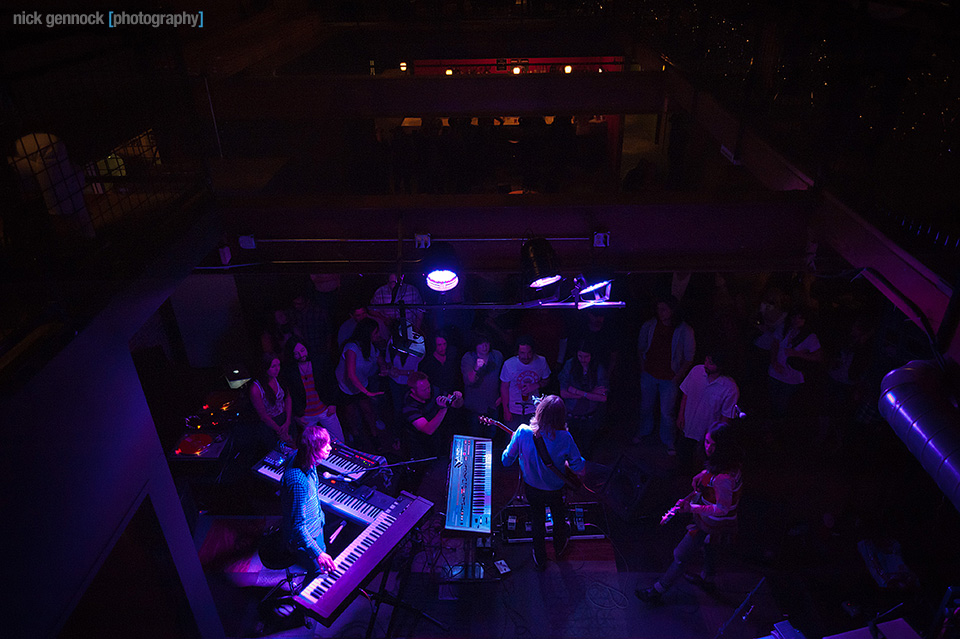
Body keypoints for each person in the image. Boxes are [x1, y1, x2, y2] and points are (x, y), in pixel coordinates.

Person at [636, 421, 743, 602]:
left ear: (724, 448)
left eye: (714, 445)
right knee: (709, 551)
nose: (708, 447)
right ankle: (706, 579)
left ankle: (657, 591)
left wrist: (691, 507)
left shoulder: (723, 478)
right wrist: (703, 474)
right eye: (707, 441)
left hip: (712, 523)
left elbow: (722, 508)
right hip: (711, 522)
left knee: (680, 555)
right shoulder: (730, 464)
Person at [501, 395, 585, 570]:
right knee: (559, 519)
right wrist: (565, 461)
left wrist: (512, 444)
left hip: (532, 488)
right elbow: (579, 466)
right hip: (556, 488)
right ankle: (559, 549)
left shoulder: (523, 432)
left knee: (537, 521)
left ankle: (540, 559)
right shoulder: (565, 437)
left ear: (539, 411)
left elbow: (506, 461)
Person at [635, 295, 696, 454]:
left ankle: (669, 441)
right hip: (649, 373)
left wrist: (677, 376)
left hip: (669, 378)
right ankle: (643, 431)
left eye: (664, 309)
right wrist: (643, 368)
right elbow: (641, 348)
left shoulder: (684, 330)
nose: (660, 312)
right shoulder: (649, 326)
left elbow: (689, 357)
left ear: (672, 310)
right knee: (645, 407)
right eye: (658, 309)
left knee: (667, 412)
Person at [281, 426, 337, 579]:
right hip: (308, 538)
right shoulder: (298, 481)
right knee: (317, 576)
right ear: (313, 449)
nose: (329, 448)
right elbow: (298, 526)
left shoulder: (304, 459)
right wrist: (318, 553)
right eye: (325, 445)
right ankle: (306, 602)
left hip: (316, 528)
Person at [677, 350, 739, 466]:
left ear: (720, 366)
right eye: (706, 360)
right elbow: (686, 393)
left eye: (710, 363)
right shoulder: (696, 371)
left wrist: (716, 438)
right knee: (683, 457)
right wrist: (681, 415)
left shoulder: (729, 387)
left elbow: (726, 417)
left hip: (705, 433)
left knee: (702, 463)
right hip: (688, 425)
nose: (706, 364)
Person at [334, 317, 386, 447]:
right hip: (346, 386)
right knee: (351, 413)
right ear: (367, 333)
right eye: (375, 333)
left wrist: (384, 368)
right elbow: (351, 374)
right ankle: (355, 435)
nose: (378, 335)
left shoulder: (370, 347)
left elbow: (379, 359)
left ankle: (374, 436)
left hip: (362, 383)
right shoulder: (352, 347)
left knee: (368, 410)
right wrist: (367, 392)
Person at [282, 339, 345, 444]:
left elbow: (331, 382)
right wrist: (296, 416)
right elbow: (290, 395)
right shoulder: (289, 371)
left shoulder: (319, 362)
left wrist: (333, 403)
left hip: (325, 410)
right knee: (313, 447)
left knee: (340, 441)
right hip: (306, 415)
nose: (301, 355)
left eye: (302, 350)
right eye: (296, 353)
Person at [558, 338, 609, 458]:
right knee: (568, 449)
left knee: (587, 450)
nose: (583, 360)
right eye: (580, 356)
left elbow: (603, 398)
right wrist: (591, 394)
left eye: (586, 356)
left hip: (590, 416)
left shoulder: (598, 369)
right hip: (571, 415)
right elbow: (563, 393)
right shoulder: (570, 365)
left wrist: (576, 391)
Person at [402, 371, 463, 460]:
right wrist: (443, 409)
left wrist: (459, 398)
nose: (428, 391)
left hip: (440, 438)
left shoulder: (434, 390)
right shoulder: (409, 406)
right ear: (413, 391)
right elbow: (428, 430)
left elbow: (456, 404)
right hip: (422, 445)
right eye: (424, 390)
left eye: (428, 387)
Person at [500, 335, 552, 427]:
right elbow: (504, 387)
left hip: (533, 409)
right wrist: (506, 410)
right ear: (517, 352)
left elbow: (547, 380)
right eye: (522, 353)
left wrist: (536, 385)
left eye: (529, 353)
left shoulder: (541, 361)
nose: (526, 356)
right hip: (514, 409)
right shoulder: (509, 364)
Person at [461, 331, 504, 435]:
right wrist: (476, 368)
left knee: (491, 435)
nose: (484, 347)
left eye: (487, 343)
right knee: (475, 435)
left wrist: (502, 396)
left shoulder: (497, 356)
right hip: (475, 406)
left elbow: (504, 378)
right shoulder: (469, 357)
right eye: (481, 344)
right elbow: (468, 381)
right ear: (475, 345)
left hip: (493, 404)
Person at [251, 353, 293, 446]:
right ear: (265, 367)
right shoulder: (256, 388)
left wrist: (288, 420)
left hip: (284, 417)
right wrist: (279, 430)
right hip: (270, 424)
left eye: (278, 365)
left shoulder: (279, 378)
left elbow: (288, 398)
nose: (277, 368)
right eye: (273, 366)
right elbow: (263, 415)